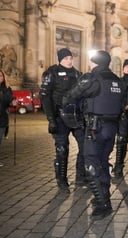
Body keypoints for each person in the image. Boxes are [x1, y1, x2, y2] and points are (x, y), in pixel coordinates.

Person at [63, 50, 126, 220]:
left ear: (96, 62)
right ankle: (102, 199)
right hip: (111, 127)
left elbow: (69, 96)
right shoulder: (117, 81)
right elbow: (123, 103)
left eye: (91, 61)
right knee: (103, 163)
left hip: (94, 128)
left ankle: (103, 204)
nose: (89, 64)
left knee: (91, 164)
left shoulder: (91, 78)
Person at [40, 48, 86, 193]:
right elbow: (45, 96)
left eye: (70, 58)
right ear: (60, 59)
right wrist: (51, 119)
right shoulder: (51, 73)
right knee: (62, 149)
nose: (69, 60)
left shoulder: (78, 74)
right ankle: (62, 181)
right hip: (59, 116)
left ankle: (80, 178)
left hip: (76, 116)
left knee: (85, 147)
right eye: (66, 58)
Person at [0, 69, 16, 167]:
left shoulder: (6, 88)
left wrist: (13, 101)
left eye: (1, 76)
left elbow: (10, 98)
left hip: (2, 118)